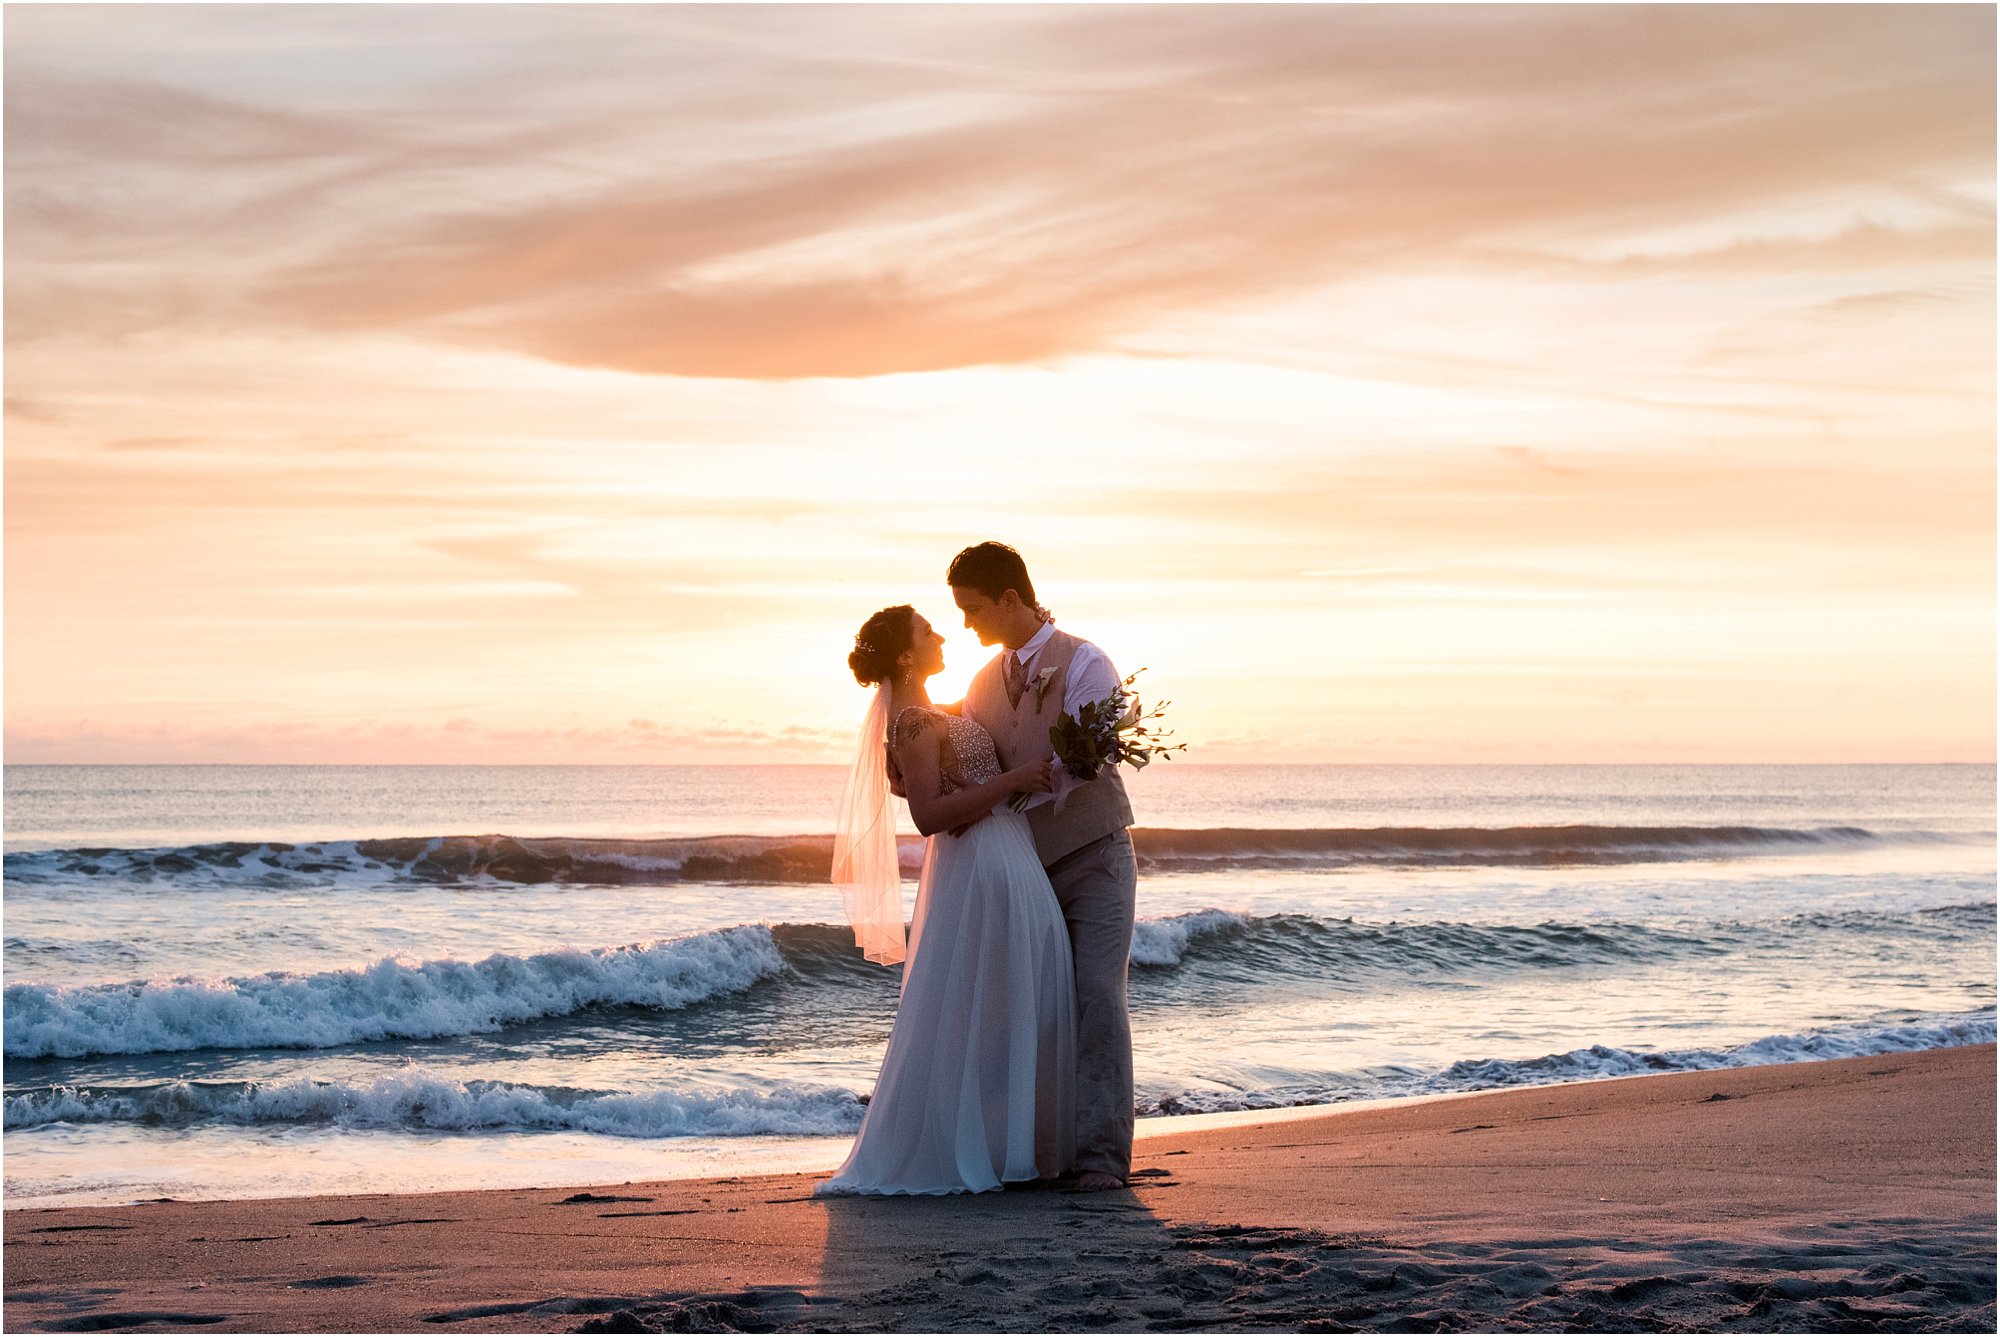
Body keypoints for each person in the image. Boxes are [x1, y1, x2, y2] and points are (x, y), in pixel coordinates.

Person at [816, 605, 1077, 1196]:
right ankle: (982, 1150)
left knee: (1018, 993)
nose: (940, 635)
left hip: (1007, 852)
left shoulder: (940, 711)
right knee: (989, 998)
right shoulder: (911, 722)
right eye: (927, 631)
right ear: (906, 654)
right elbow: (930, 815)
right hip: (980, 863)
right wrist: (1011, 783)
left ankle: (1017, 1147)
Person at [950, 542, 1138, 1193]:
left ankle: (1102, 1158)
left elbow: (1094, 754)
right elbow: (972, 768)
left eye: (973, 610)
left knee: (1095, 996)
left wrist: (1031, 780)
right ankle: (1033, 1151)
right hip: (1025, 870)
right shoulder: (979, 685)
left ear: (1010, 597)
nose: (967, 625)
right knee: (1028, 1007)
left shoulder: (1086, 661)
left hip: (1096, 857)